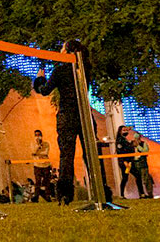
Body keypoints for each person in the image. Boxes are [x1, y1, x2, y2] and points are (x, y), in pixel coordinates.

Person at [30, 41, 106, 204]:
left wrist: (39, 80)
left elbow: (44, 90)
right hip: (85, 114)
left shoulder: (60, 71)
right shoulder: (86, 69)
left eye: (62, 48)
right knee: (92, 155)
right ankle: (101, 190)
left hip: (67, 115)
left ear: (67, 52)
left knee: (67, 155)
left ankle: (65, 193)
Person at [114, 126, 153, 198]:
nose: (125, 131)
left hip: (130, 162)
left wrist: (129, 129)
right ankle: (123, 195)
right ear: (120, 131)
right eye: (123, 130)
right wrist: (125, 162)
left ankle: (141, 194)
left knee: (133, 176)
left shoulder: (124, 139)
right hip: (125, 163)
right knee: (128, 177)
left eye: (126, 130)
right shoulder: (120, 140)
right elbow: (120, 152)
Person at [29, 130, 54, 201]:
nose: (38, 137)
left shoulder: (46, 144)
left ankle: (47, 196)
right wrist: (38, 146)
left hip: (46, 165)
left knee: (47, 181)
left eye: (39, 135)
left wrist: (37, 153)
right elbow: (33, 151)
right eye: (36, 135)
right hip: (37, 165)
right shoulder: (32, 144)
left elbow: (46, 152)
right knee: (38, 181)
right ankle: (36, 196)